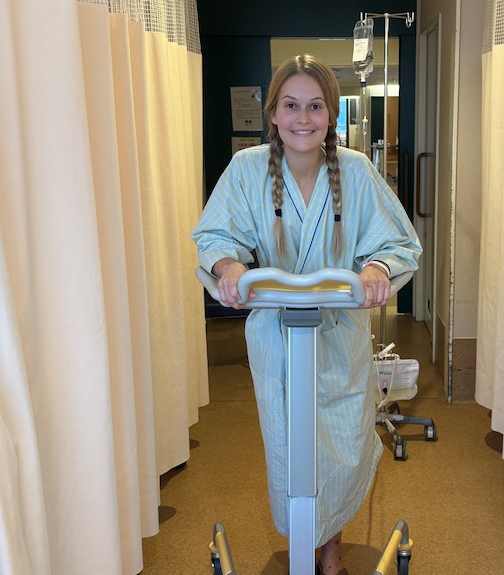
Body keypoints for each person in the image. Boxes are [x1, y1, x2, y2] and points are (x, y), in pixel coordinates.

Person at [191, 54, 421, 575]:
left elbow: (397, 242)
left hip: (339, 335)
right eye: (291, 105)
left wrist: (376, 269)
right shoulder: (247, 169)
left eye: (315, 106)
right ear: (273, 112)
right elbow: (215, 235)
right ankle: (303, 544)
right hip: (276, 337)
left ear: (331, 113)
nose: (302, 118)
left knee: (340, 445)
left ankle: (331, 548)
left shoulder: (355, 171)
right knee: (290, 448)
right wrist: (229, 266)